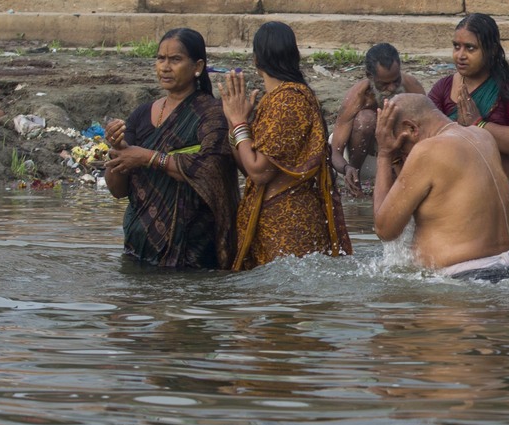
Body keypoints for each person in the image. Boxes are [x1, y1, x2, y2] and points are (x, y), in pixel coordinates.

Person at [105, 27, 239, 270]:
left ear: (197, 67)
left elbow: (211, 170)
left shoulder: (211, 115)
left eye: (175, 59)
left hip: (192, 253)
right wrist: (117, 149)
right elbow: (117, 191)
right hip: (138, 247)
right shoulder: (141, 114)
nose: (165, 67)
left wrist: (148, 157)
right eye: (160, 59)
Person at [222, 21, 352, 269]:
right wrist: (235, 127)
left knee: (284, 300)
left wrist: (240, 123)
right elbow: (249, 168)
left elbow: (259, 172)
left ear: (256, 59)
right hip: (273, 220)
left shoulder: (289, 101)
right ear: (295, 56)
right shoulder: (277, 99)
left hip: (289, 224)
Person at [427, 14, 509, 261]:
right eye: (456, 46)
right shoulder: (443, 88)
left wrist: (478, 124)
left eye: (470, 48)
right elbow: (426, 134)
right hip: (461, 204)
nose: (460, 55)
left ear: (492, 49)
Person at [371, 94, 509, 281]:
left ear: (411, 129)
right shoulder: (482, 135)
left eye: (402, 150)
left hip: (470, 278)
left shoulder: (428, 150)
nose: (404, 158)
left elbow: (385, 230)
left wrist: (384, 155)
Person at [329, 43, 425, 195]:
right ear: (370, 77)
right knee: (366, 119)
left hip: (398, 159)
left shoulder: (412, 88)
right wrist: (347, 169)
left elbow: (429, 134)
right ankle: (355, 184)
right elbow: (334, 150)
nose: (392, 88)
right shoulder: (358, 96)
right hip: (364, 161)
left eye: (396, 81)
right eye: (384, 84)